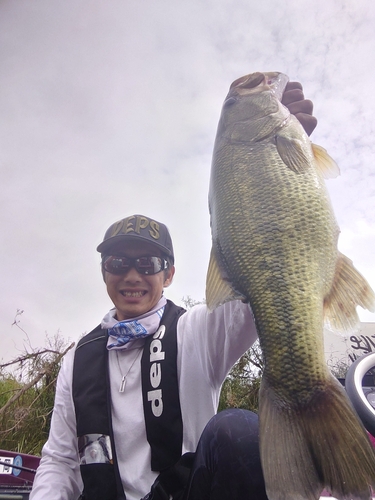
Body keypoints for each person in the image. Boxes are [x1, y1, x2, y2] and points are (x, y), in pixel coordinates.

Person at [30, 81, 317, 500]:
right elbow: (58, 461)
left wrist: (281, 160)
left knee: (235, 431)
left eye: (147, 264)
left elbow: (262, 285)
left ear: (169, 275)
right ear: (104, 273)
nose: (131, 276)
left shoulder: (198, 333)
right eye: (117, 263)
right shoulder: (78, 360)